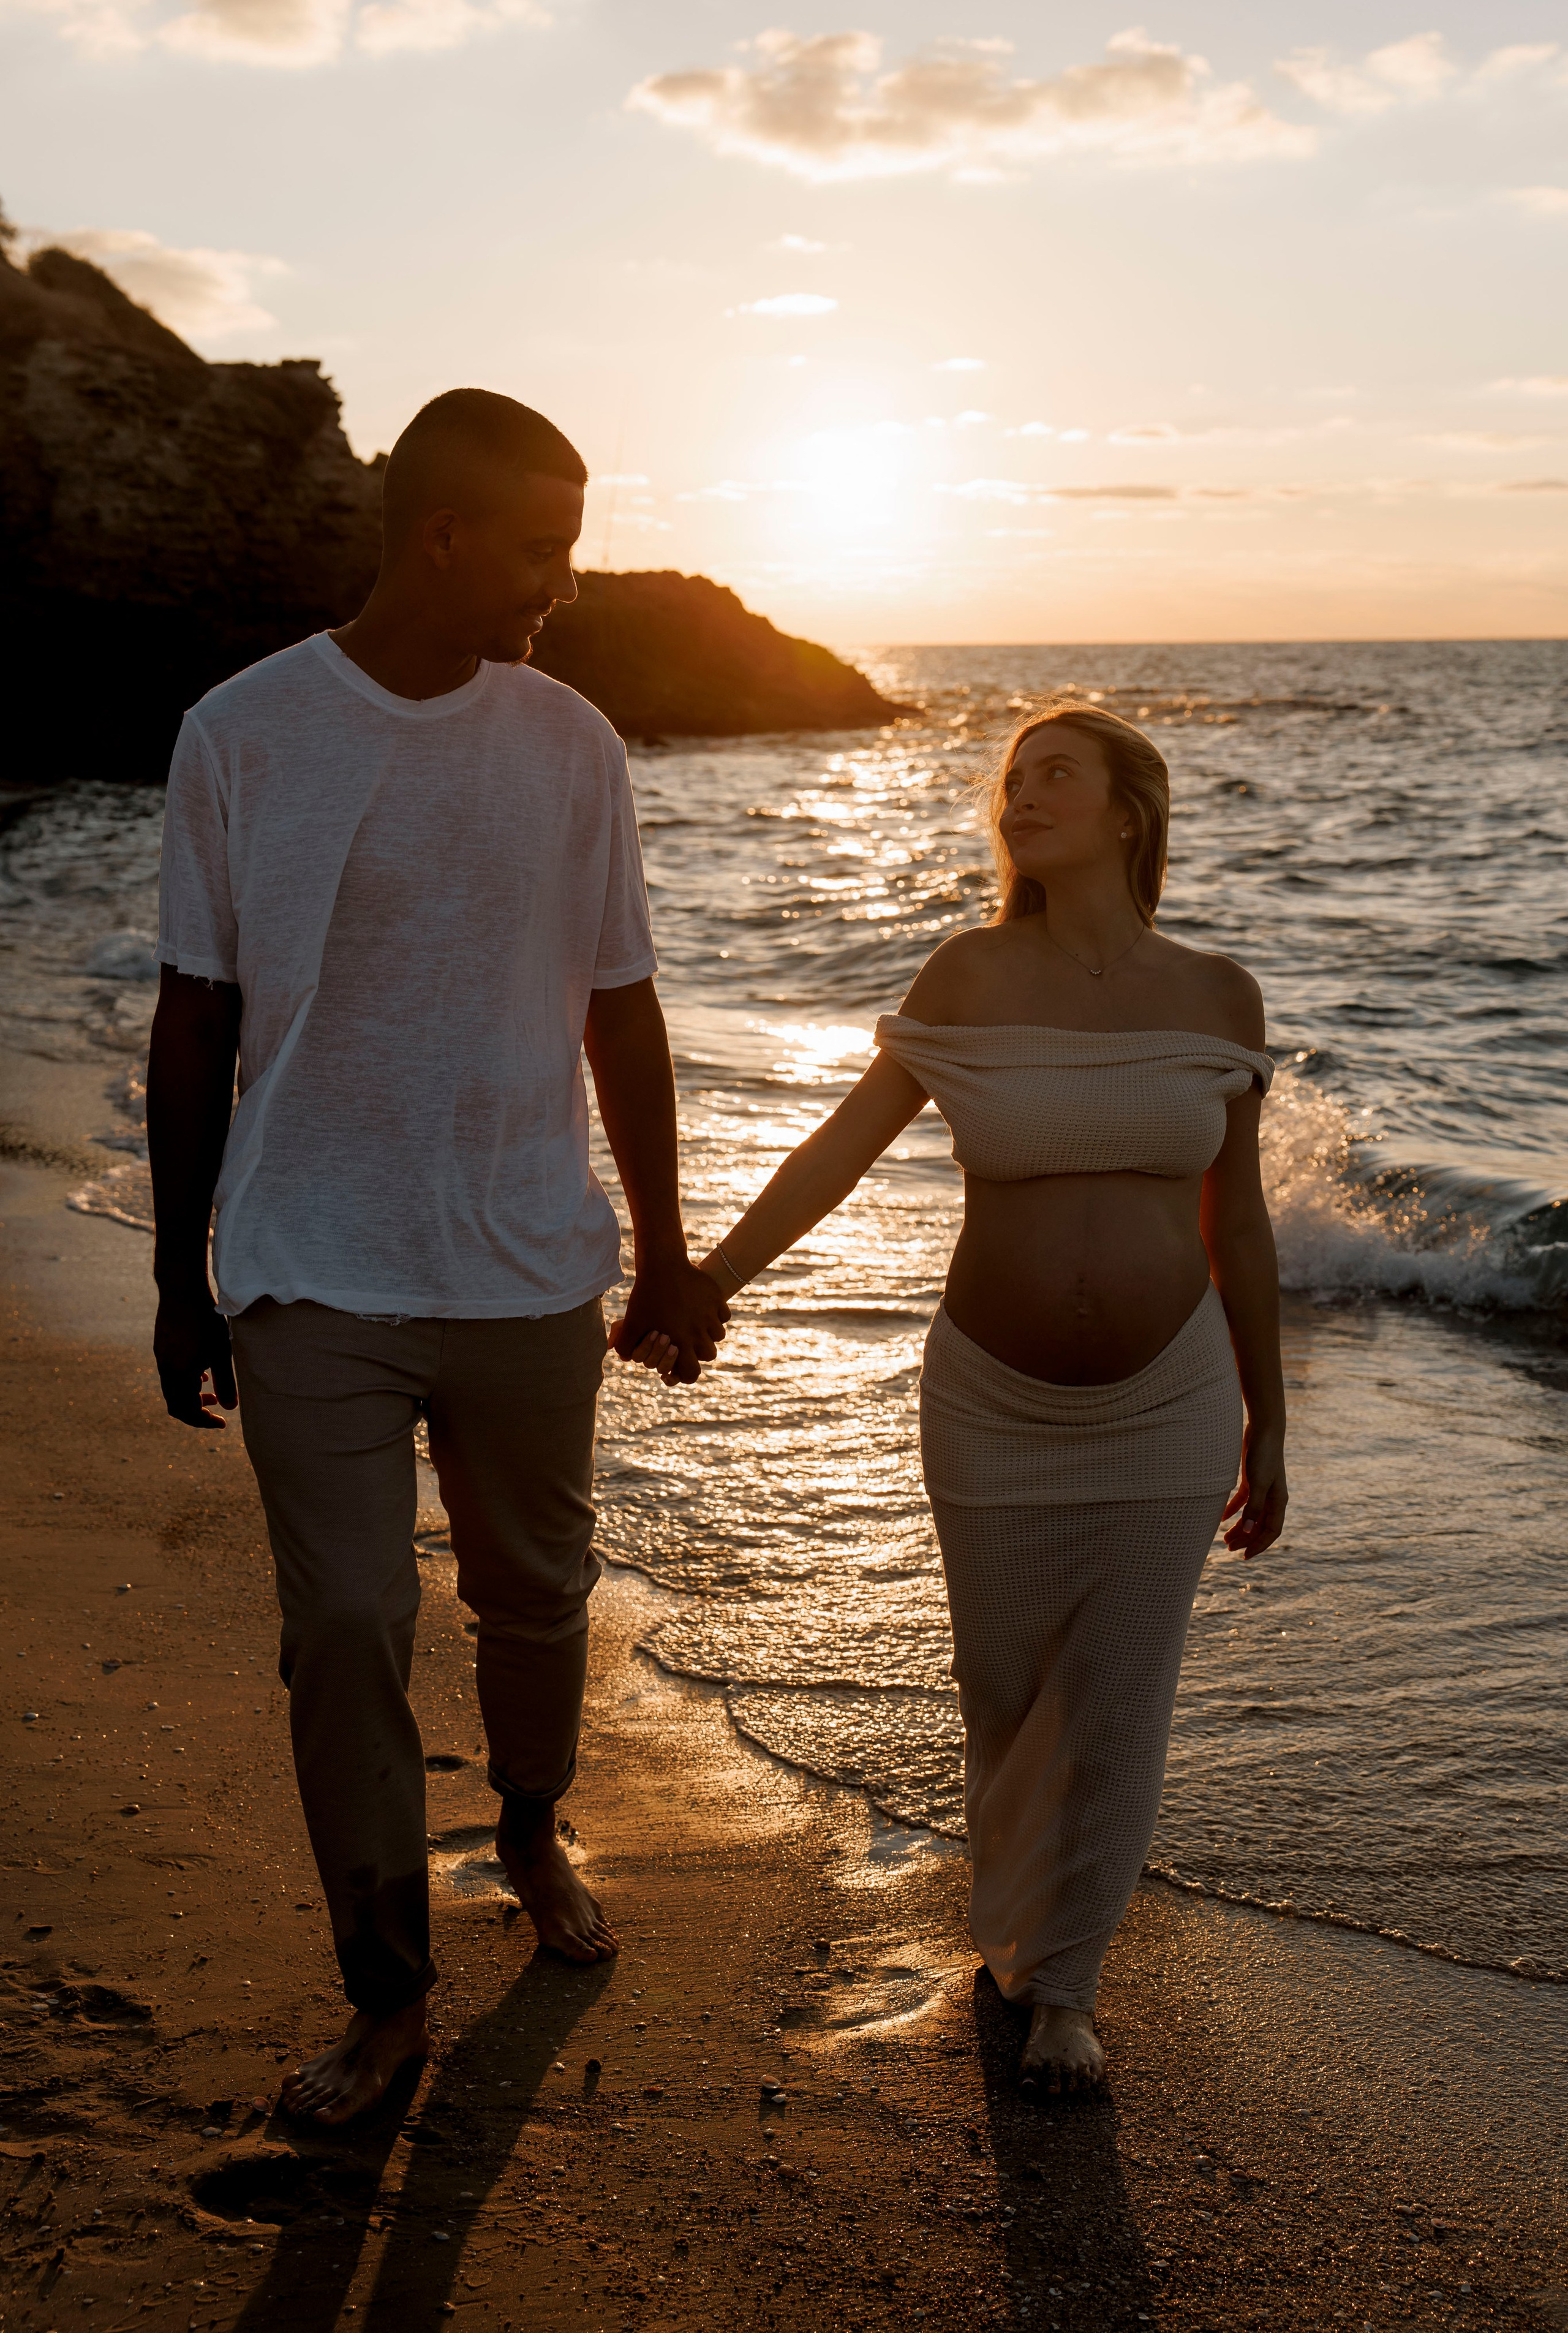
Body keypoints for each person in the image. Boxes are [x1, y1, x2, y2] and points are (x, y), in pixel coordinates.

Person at [147, 387, 728, 2126]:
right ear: (445, 534)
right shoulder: (242, 731)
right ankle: (386, 1996)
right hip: (313, 1257)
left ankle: (533, 1829)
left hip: (527, 1262)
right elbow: (195, 1018)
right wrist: (184, 1272)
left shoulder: (573, 746)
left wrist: (671, 1253)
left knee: (536, 1598)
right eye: (543, 544)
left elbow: (623, 1003)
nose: (567, 578)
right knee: (343, 1622)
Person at [631, 702, 1287, 2095]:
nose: (1021, 794)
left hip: (1167, 1406)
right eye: (1011, 779)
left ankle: (1064, 1987)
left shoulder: (1218, 996)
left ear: (1127, 814)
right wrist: (707, 1278)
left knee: (1119, 1697)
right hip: (992, 1405)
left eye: (1057, 774)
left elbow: (1242, 1226)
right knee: (998, 1683)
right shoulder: (967, 977)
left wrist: (1266, 1418)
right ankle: (1014, 1925)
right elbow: (835, 1155)